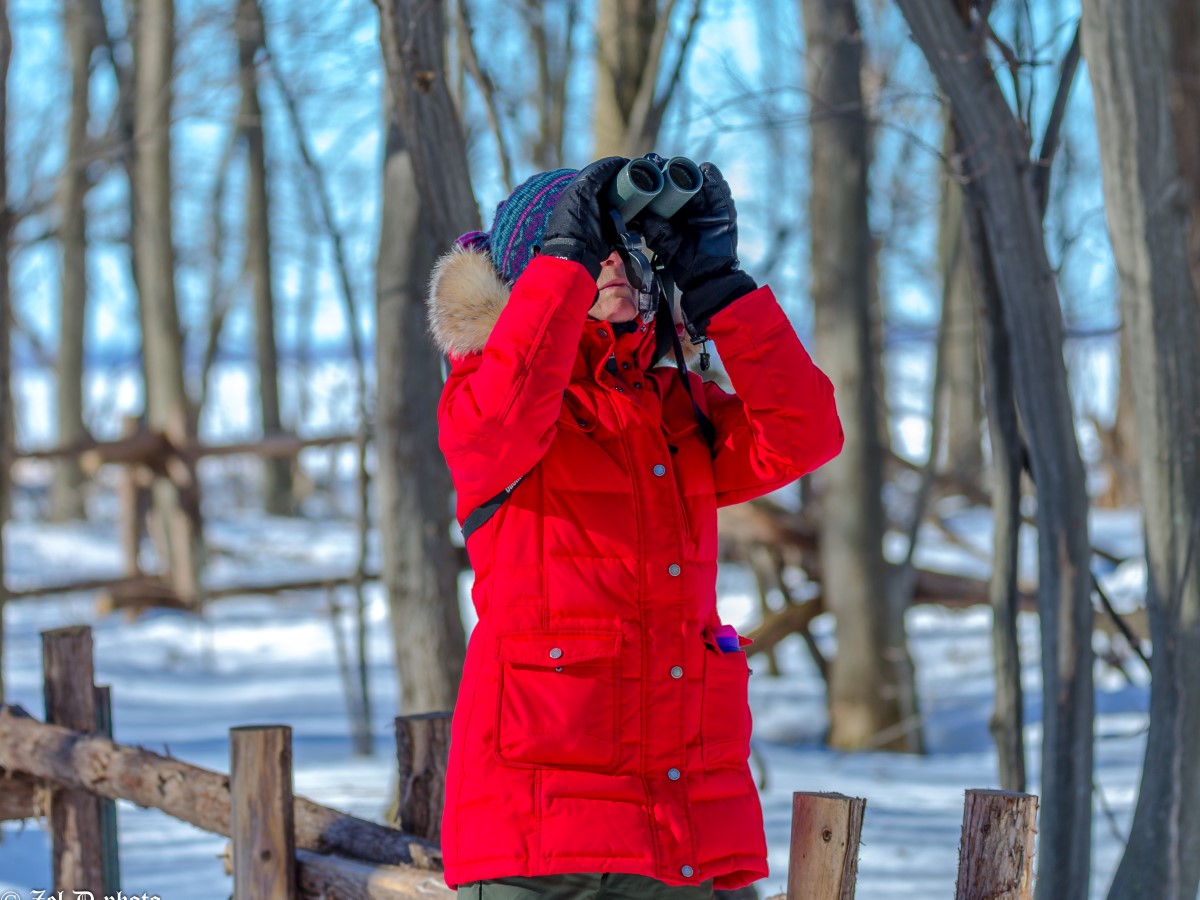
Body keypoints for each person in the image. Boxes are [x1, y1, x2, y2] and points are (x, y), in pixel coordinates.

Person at [428, 156, 844, 900]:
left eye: (626, 248)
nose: (614, 264)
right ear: (539, 271)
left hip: (672, 818)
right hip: (537, 830)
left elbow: (806, 434)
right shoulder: (483, 399)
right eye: (596, 248)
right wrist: (566, 263)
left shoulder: (674, 410)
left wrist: (722, 289)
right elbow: (510, 410)